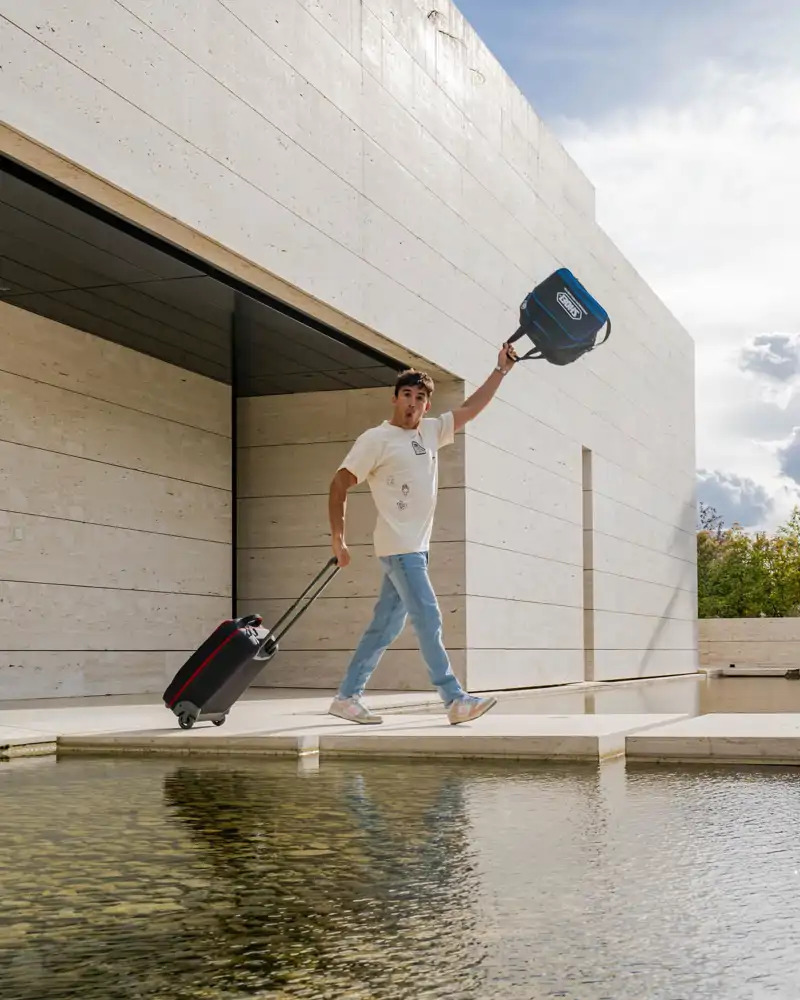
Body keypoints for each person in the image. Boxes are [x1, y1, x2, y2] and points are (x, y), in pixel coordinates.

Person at [327, 342, 518, 726]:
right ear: (394, 399)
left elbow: (472, 408)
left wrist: (500, 371)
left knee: (385, 626)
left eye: (419, 397)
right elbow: (339, 483)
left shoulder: (431, 431)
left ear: (427, 405)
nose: (412, 403)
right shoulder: (375, 440)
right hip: (400, 548)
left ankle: (347, 697)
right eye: (406, 395)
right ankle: (454, 698)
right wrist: (338, 538)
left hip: (416, 548)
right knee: (428, 617)